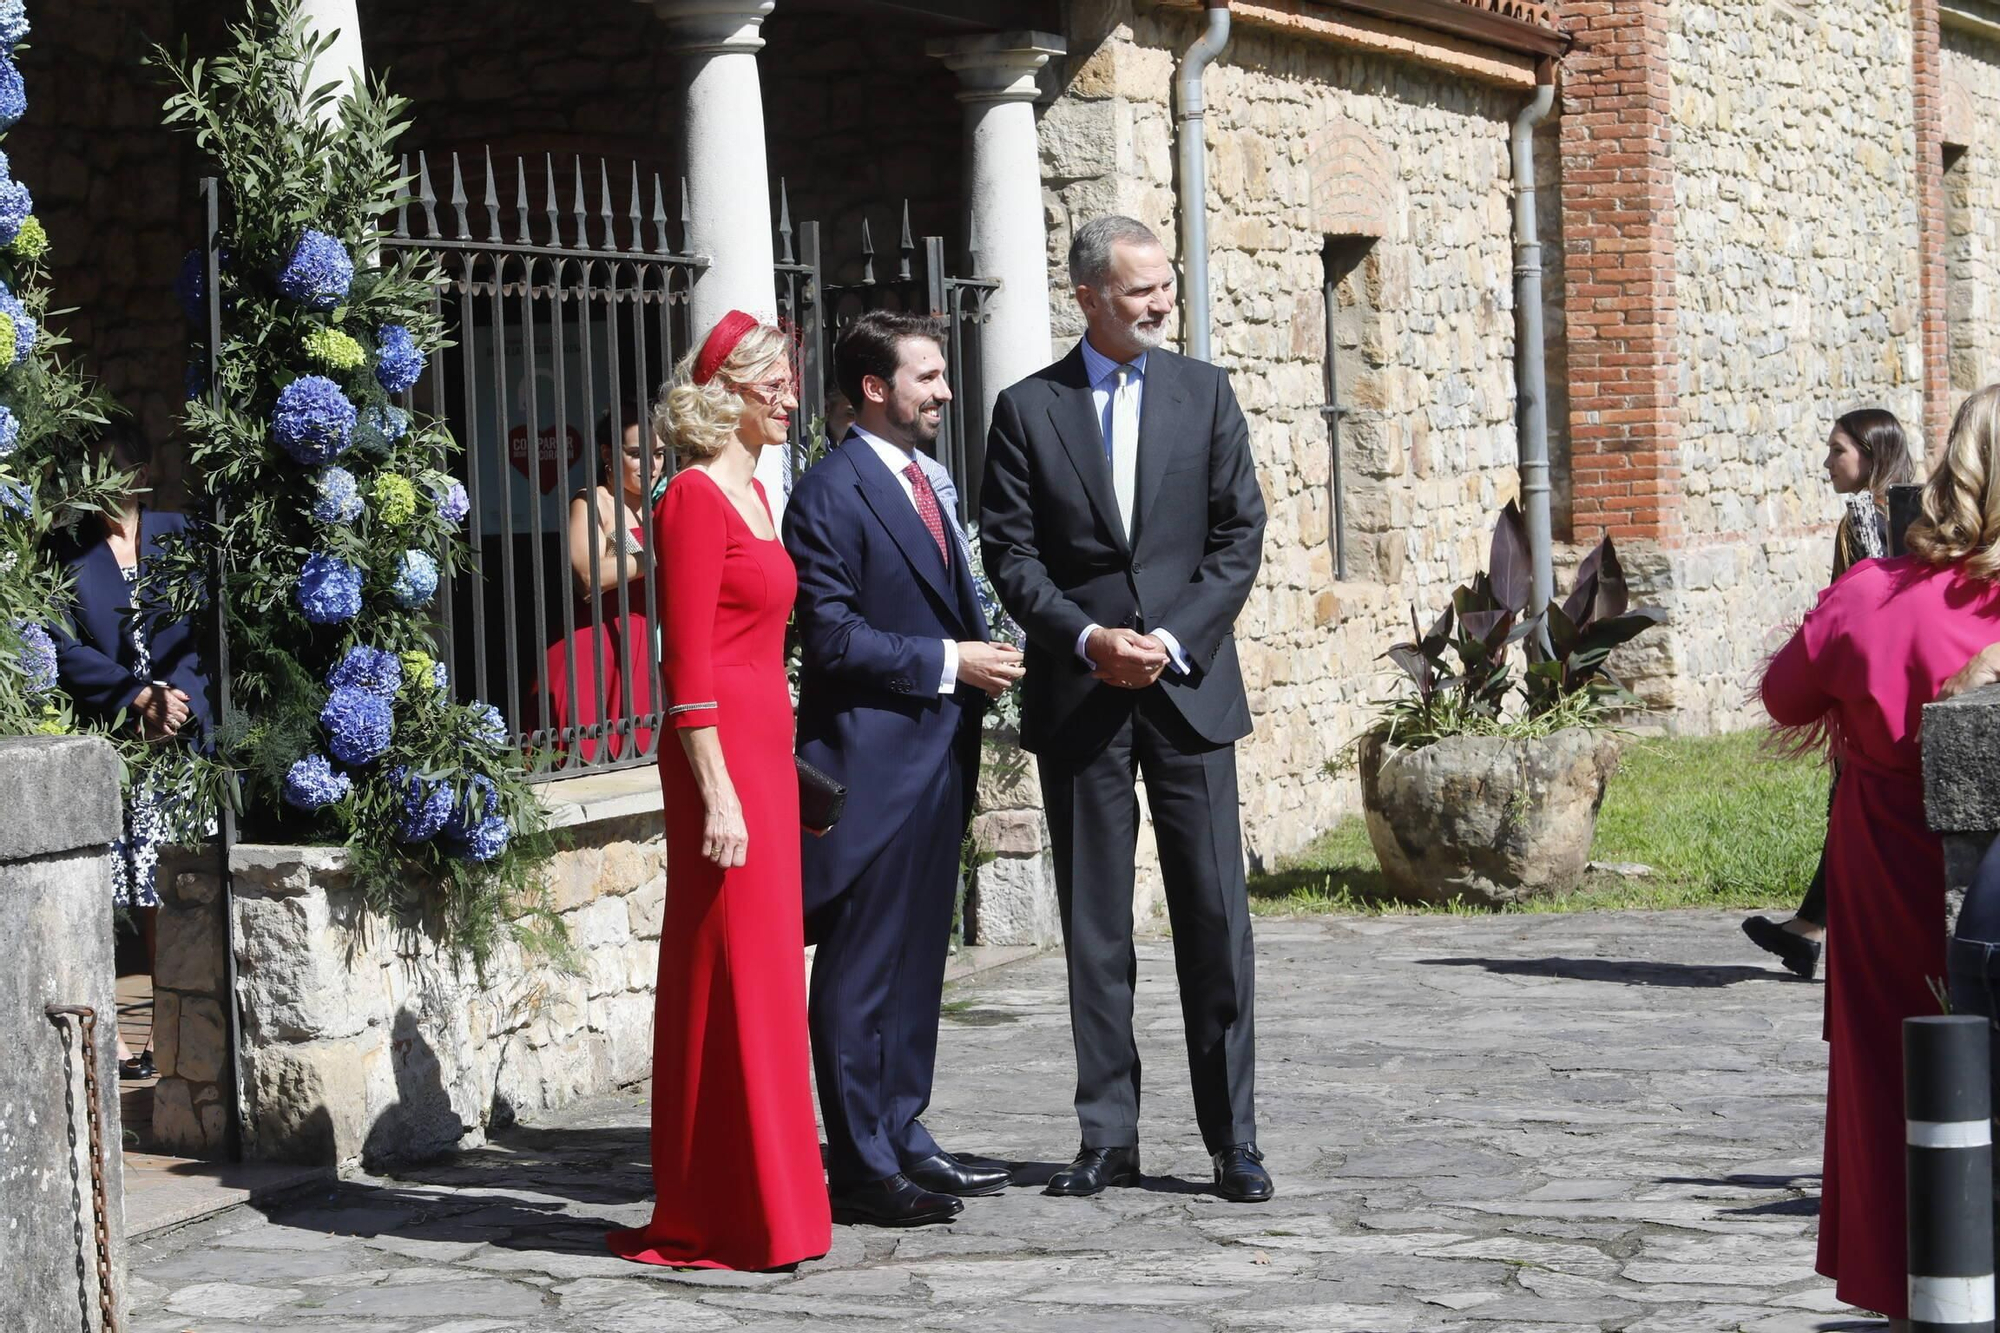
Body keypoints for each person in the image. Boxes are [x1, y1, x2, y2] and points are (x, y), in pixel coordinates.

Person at [979, 215, 1271, 1203]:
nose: (1159, 303)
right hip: (1082, 695)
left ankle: (1232, 1138)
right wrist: (1088, 640)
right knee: (1097, 928)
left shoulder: (1206, 393)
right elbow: (1009, 553)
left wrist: (1171, 639)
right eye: (1140, 289)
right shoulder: (1027, 409)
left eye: (1165, 285)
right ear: (1088, 296)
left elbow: (1238, 534)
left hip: (1187, 691)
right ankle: (1107, 1136)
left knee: (1211, 919)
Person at [1760, 383, 2000, 1330]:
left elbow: (1785, 695)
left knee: (1891, 1068)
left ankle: (1914, 1288)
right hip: (1974, 882)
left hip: (1882, 865)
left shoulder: (1871, 594)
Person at [783, 310, 1024, 1227]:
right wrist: (948, 662)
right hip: (871, 763)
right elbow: (833, 637)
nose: (946, 391)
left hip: (939, 754)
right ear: (876, 388)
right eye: (928, 376)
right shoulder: (830, 492)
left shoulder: (932, 477)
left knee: (920, 962)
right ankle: (860, 1161)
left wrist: (984, 655)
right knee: (860, 970)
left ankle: (903, 1127)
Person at [605, 311, 830, 1271]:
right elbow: (685, 669)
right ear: (725, 390)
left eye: (789, 380)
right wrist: (722, 795)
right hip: (720, 764)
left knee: (770, 975)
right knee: (725, 973)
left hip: (766, 758)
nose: (789, 396)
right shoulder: (690, 499)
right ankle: (720, 1209)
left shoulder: (758, 499)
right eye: (772, 381)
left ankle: (772, 1206)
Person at [51, 422, 216, 1078]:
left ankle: (171, 1028)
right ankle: (119, 1029)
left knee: (178, 888)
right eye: (91, 474)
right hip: (119, 742)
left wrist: (179, 702)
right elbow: (63, 648)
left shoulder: (182, 536)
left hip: (185, 742)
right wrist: (134, 698)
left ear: (141, 473)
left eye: (113, 470)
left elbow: (210, 634)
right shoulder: (66, 554)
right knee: (131, 890)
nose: (103, 487)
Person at [1742, 408, 1913, 979]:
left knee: (1855, 809)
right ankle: (1807, 929)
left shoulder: (1868, 520)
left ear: (1871, 455)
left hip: (1870, 694)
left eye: (1837, 450)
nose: (1826, 462)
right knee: (1848, 809)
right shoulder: (1899, 514)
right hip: (1878, 689)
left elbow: (1868, 610)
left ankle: (1816, 931)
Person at [539, 408, 661, 763]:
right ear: (608, 454)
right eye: (636, 454)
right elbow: (587, 577)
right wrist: (655, 553)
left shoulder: (663, 506)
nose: (650, 466)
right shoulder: (593, 501)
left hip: (641, 651)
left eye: (657, 454)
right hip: (594, 649)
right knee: (588, 761)